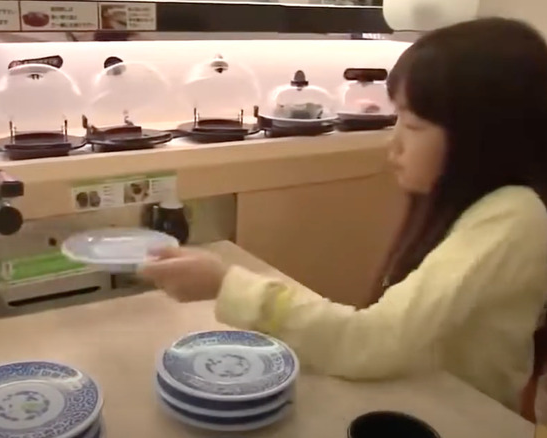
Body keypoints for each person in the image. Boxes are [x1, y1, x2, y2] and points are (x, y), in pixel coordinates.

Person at [138, 17, 547, 419]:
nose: (395, 141)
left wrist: (224, 283)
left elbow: (370, 341)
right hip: (424, 402)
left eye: (415, 124)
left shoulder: (513, 217)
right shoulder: (475, 206)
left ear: (483, 137)